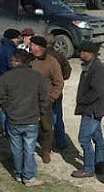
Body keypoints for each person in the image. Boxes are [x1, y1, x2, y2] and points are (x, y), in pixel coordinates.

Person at [0, 49, 49, 186]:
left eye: (12, 60)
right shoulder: (37, 77)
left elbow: (0, 99)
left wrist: (8, 111)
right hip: (31, 120)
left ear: (18, 62)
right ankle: (29, 176)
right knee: (29, 149)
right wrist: (40, 113)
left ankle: (19, 174)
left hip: (14, 120)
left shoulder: (6, 77)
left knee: (16, 149)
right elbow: (44, 98)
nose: (10, 62)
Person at [71, 41, 104, 178]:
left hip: (92, 110)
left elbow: (97, 91)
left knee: (84, 138)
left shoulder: (97, 68)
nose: (80, 54)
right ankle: (99, 164)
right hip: (93, 109)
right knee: (97, 137)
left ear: (89, 53)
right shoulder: (91, 66)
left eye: (82, 52)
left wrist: (82, 101)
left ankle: (88, 168)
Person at [29, 36, 64, 164]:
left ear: (39, 47)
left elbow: (59, 82)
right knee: (30, 125)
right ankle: (29, 149)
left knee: (46, 127)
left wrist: (52, 97)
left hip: (45, 100)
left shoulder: (51, 62)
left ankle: (45, 151)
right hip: (29, 99)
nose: (29, 46)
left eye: (32, 45)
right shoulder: (29, 59)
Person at [45, 34, 72, 151]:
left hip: (43, 92)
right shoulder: (59, 56)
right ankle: (60, 142)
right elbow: (67, 71)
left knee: (42, 118)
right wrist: (60, 78)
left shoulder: (40, 56)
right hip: (56, 91)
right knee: (57, 118)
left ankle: (45, 142)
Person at [0, 29, 21, 135]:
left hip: (1, 78)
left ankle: (4, 129)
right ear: (12, 38)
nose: (18, 40)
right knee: (11, 106)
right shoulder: (10, 49)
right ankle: (8, 129)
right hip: (10, 81)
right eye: (17, 38)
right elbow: (11, 65)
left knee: (2, 106)